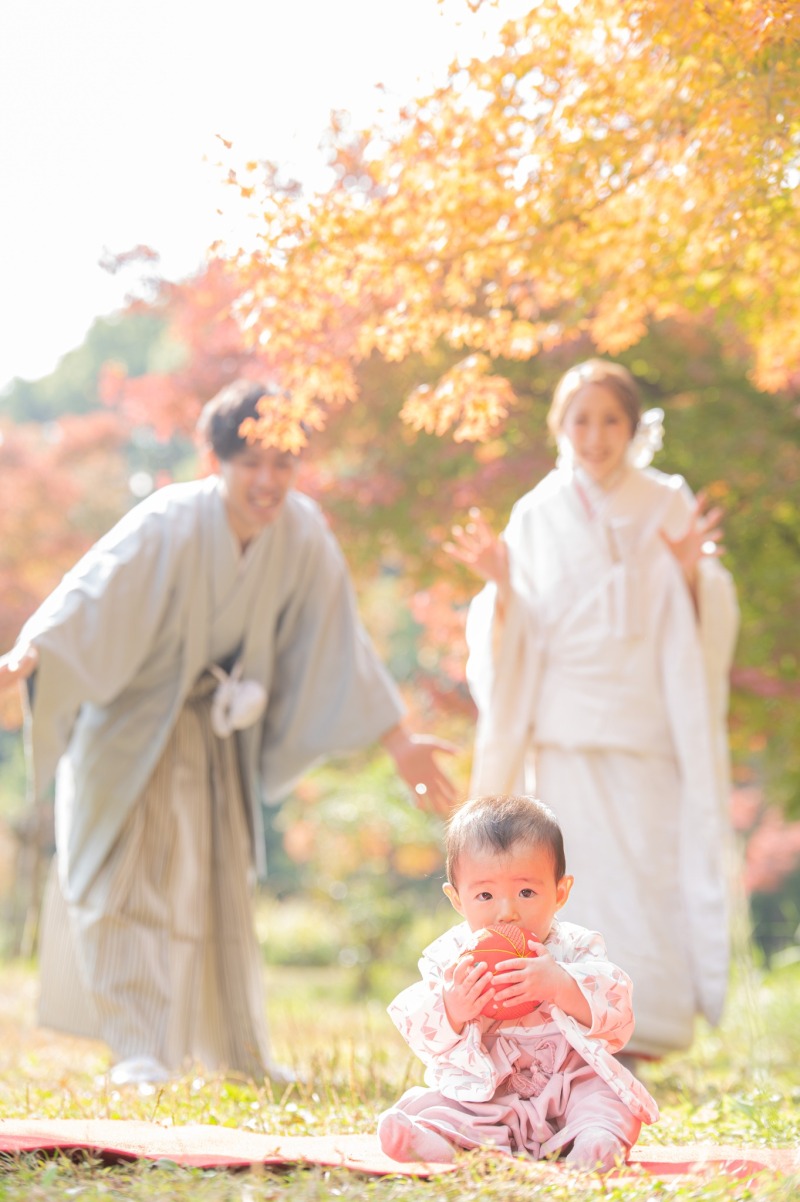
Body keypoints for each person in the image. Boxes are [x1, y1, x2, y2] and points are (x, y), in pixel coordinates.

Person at [0, 380, 457, 1088]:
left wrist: (399, 739)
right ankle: (138, 1049)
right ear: (215, 462)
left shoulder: (303, 532)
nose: (268, 481)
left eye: (283, 463)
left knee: (218, 888)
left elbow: (339, 637)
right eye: (250, 462)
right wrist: (32, 655)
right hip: (131, 724)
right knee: (127, 881)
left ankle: (238, 1052)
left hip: (219, 735)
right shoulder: (170, 518)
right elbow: (90, 590)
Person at [445, 359, 738, 1065]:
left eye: (611, 420)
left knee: (648, 869)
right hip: (568, 724)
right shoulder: (537, 512)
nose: (596, 435)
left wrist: (693, 575)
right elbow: (512, 631)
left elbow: (707, 618)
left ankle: (649, 1025)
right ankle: (564, 1024)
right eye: (582, 420)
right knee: (574, 877)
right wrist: (502, 587)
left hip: (646, 724)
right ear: (560, 427)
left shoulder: (666, 500)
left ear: (634, 429)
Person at [378, 794, 659, 1170]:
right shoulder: (449, 958)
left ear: (559, 892)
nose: (507, 911)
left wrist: (561, 985)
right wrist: (453, 1007)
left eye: (526, 892)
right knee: (442, 1103)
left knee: (605, 1098)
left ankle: (594, 1141)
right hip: (488, 1092)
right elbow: (421, 1033)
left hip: (566, 1087)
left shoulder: (575, 947)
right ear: (458, 900)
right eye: (485, 895)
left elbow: (618, 1011)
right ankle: (433, 1140)